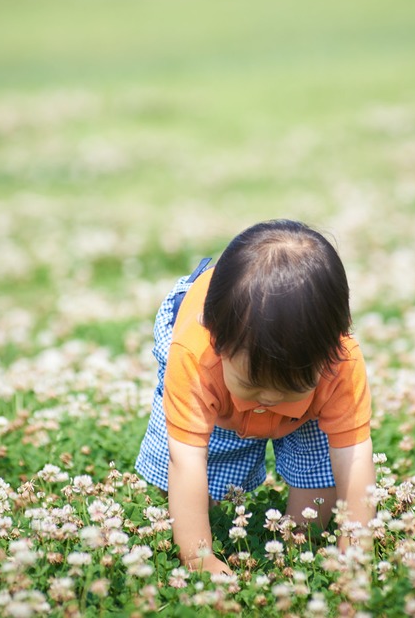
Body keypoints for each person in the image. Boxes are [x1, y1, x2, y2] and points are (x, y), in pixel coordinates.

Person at [134, 219, 376, 575]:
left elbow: (353, 457)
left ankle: (296, 544)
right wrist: (199, 557)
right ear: (217, 342)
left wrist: (355, 547)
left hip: (307, 407)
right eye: (251, 383)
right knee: (201, 484)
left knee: (316, 490)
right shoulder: (196, 356)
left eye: (291, 386)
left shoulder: (339, 364)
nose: (269, 398)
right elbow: (185, 458)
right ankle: (201, 522)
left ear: (330, 352)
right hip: (215, 387)